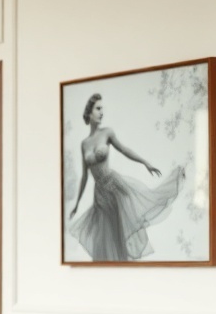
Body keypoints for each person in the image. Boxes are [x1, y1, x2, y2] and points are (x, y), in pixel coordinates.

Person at [68, 92, 184, 262]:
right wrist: (77, 204)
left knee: (117, 234)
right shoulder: (84, 144)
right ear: (89, 112)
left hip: (114, 187)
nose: (102, 112)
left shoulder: (107, 132)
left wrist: (145, 162)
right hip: (99, 194)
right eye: (98, 108)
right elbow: (85, 176)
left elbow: (124, 150)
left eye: (102, 109)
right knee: (104, 240)